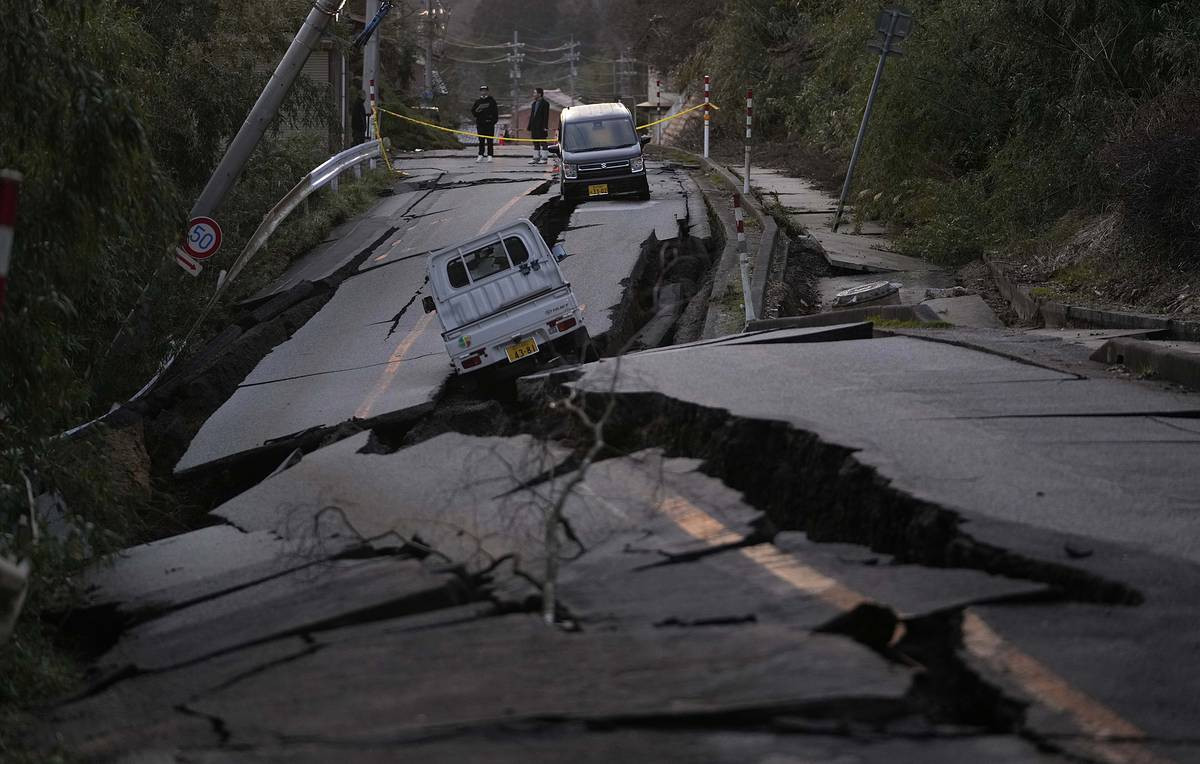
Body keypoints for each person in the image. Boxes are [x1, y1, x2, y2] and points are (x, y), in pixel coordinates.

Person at [472, 84, 499, 162]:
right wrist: (477, 111)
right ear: (480, 92)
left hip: (489, 124)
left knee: (490, 141)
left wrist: (493, 121)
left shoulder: (491, 101)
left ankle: (490, 155)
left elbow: (495, 113)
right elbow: (474, 112)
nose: (483, 92)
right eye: (482, 90)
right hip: (480, 124)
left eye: (485, 90)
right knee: (481, 140)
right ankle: (480, 154)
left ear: (487, 91)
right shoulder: (477, 101)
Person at [527, 87, 550, 164]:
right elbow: (532, 116)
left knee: (543, 142)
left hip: (541, 126)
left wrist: (545, 127)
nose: (534, 95)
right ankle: (536, 158)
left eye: (535, 93)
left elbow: (545, 117)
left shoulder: (545, 104)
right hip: (534, 126)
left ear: (539, 94)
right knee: (535, 142)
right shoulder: (534, 104)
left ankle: (544, 158)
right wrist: (529, 126)